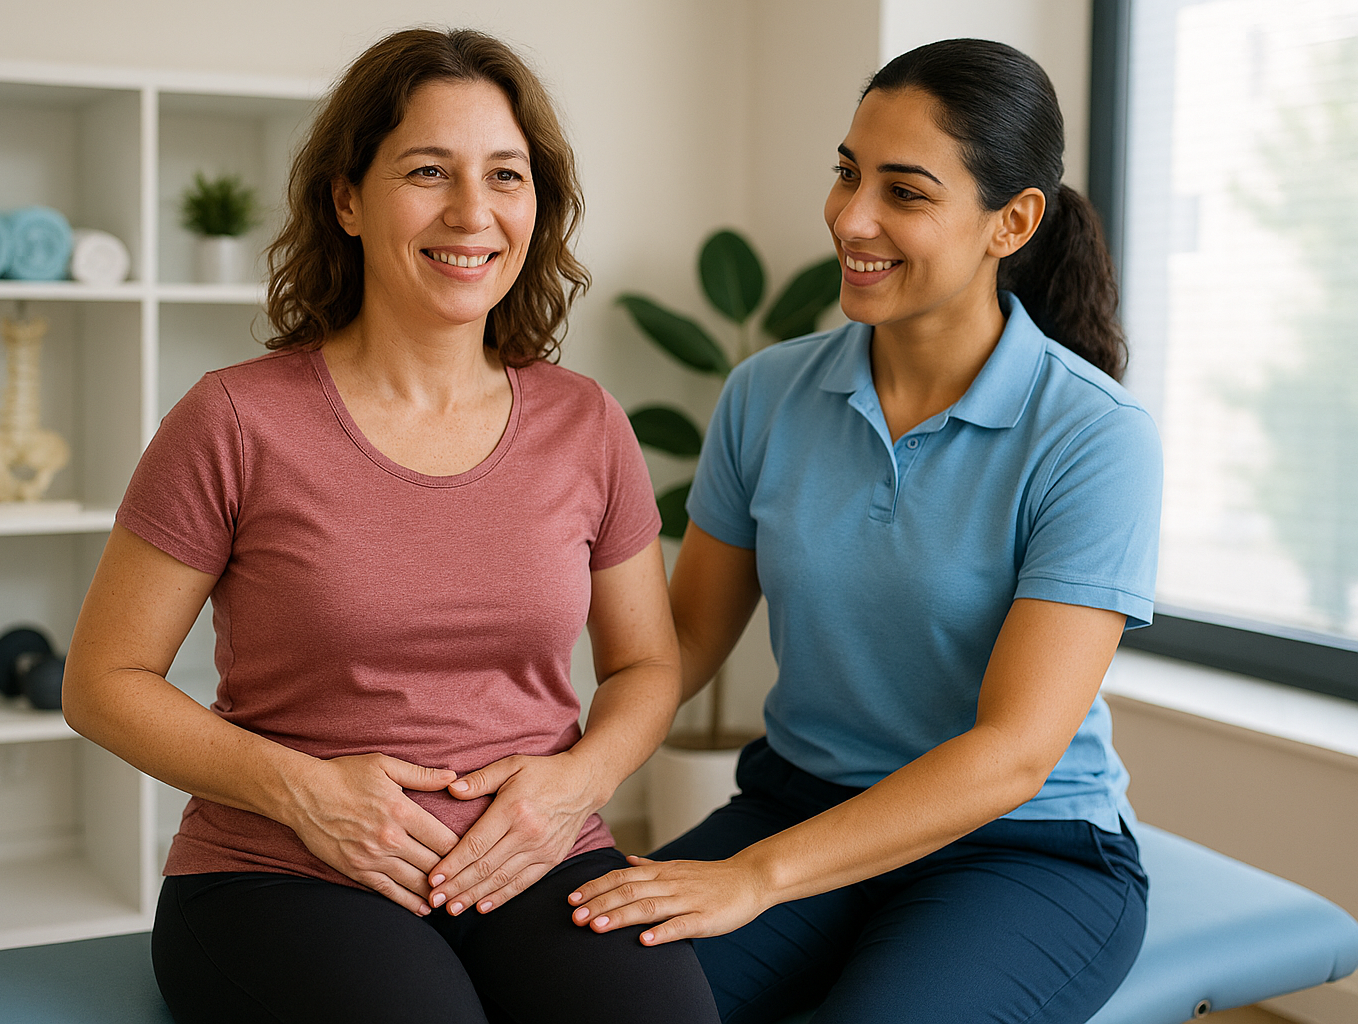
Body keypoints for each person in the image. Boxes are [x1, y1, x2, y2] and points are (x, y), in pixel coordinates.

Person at [63, 28, 718, 1024]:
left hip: (530, 859)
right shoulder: (237, 419)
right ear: (347, 198)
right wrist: (308, 794)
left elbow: (647, 667)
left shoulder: (587, 422)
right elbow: (103, 683)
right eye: (427, 171)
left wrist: (569, 788)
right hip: (283, 871)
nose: (472, 212)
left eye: (507, 175)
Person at [567, 38, 1163, 1024]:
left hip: (1023, 848)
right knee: (582, 995)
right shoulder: (769, 392)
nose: (852, 217)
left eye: (906, 191)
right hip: (797, 802)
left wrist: (756, 877)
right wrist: (560, 779)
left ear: (1011, 222)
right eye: (847, 172)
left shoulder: (1093, 436)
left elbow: (1014, 750)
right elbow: (681, 648)